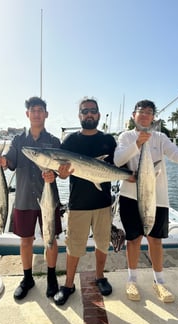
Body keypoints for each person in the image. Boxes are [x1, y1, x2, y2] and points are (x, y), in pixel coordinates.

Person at [113, 99, 178, 303]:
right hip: (130, 197)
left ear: (153, 117)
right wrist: (137, 144)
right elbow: (118, 160)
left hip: (157, 198)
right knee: (133, 240)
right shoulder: (126, 136)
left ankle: (159, 282)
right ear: (134, 115)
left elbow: (176, 155)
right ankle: (131, 280)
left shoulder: (160, 137)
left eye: (149, 112)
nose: (144, 115)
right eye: (141, 111)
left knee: (155, 241)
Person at [0, 96, 62, 300]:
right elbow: (10, 161)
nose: (37, 113)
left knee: (51, 240)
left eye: (40, 110)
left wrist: (54, 174)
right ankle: (27, 278)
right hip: (23, 197)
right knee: (25, 241)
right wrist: (2, 161)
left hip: (48, 197)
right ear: (27, 114)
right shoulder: (18, 140)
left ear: (46, 114)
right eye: (33, 110)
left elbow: (60, 168)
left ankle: (51, 277)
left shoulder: (54, 141)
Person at [51, 97, 117, 306]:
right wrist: (60, 174)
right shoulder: (70, 141)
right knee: (74, 247)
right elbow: (62, 174)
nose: (89, 114)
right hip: (78, 203)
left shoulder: (109, 140)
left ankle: (100, 277)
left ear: (98, 114)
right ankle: (69, 284)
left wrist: (130, 175)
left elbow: (116, 167)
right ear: (79, 115)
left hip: (103, 202)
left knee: (102, 244)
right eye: (85, 111)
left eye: (92, 110)